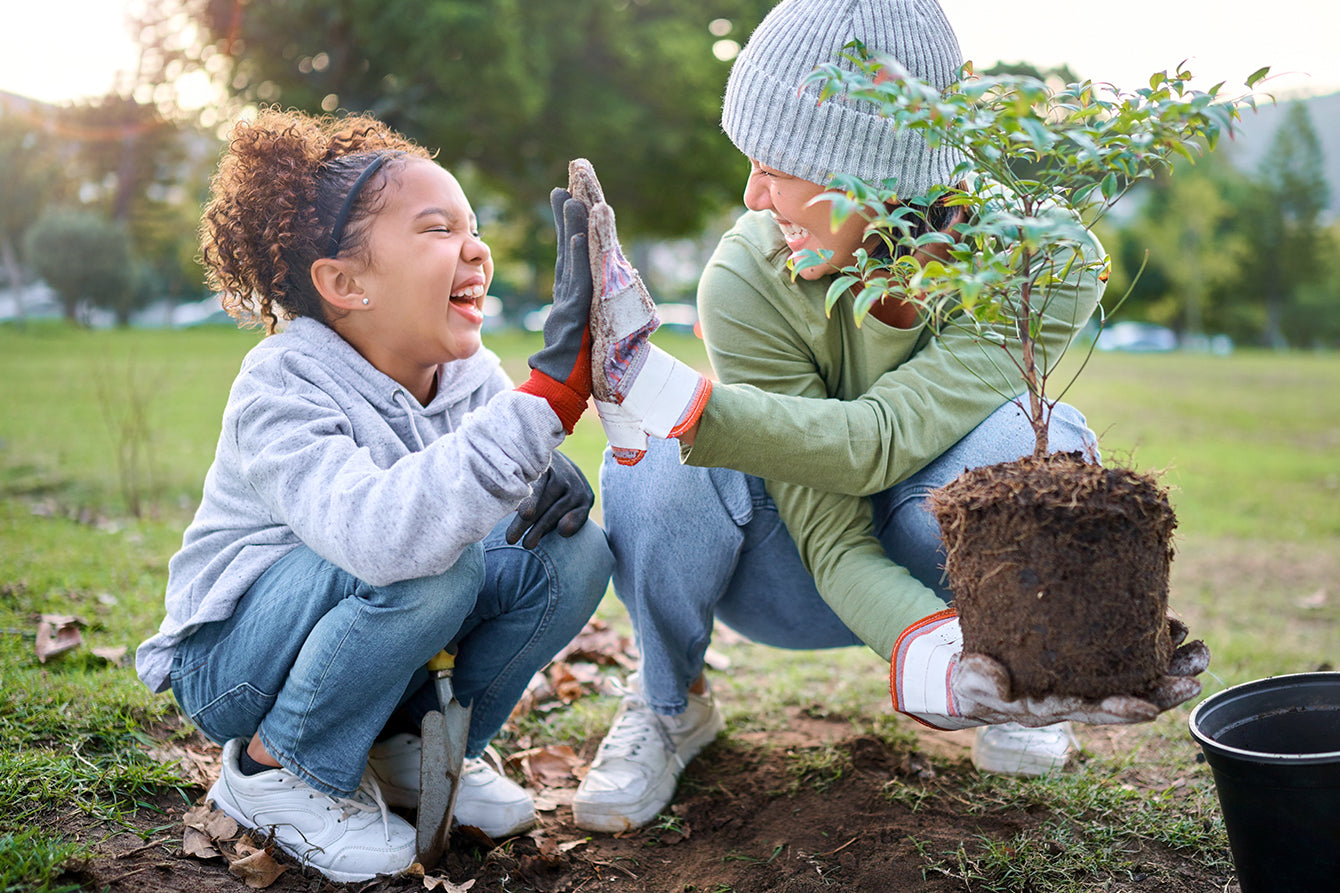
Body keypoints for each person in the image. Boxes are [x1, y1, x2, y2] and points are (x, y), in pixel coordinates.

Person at [567, 0, 1209, 833]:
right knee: (659, 460)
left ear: (871, 172)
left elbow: (879, 442)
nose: (752, 193)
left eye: (778, 164)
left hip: (947, 558)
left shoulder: (1042, 259)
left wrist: (1039, 648)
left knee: (1029, 438)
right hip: (783, 571)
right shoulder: (748, 277)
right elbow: (831, 536)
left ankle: (1020, 673)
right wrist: (925, 654)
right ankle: (669, 701)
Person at [134, 108, 613, 882]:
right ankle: (276, 769)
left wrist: (532, 464)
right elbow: (383, 536)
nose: (476, 249)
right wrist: (546, 403)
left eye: (474, 226)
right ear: (345, 282)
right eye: (437, 229)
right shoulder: (282, 382)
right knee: (430, 562)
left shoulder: (467, 375)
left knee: (569, 550)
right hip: (235, 661)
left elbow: (480, 478)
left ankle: (412, 747)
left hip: (369, 622)